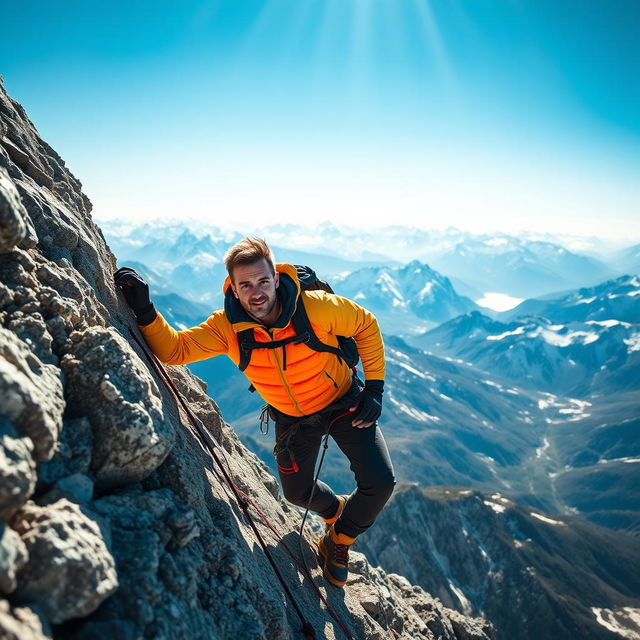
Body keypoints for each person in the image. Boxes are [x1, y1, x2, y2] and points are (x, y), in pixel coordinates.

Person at [114, 237, 395, 588]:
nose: (257, 292)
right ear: (232, 286)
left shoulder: (316, 308)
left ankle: (338, 540)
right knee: (295, 493)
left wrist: (375, 388)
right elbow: (175, 350)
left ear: (276, 278)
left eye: (263, 281)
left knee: (381, 482)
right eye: (245, 285)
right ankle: (335, 510)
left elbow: (365, 325)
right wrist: (145, 310)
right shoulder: (227, 327)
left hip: (343, 399)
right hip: (293, 417)